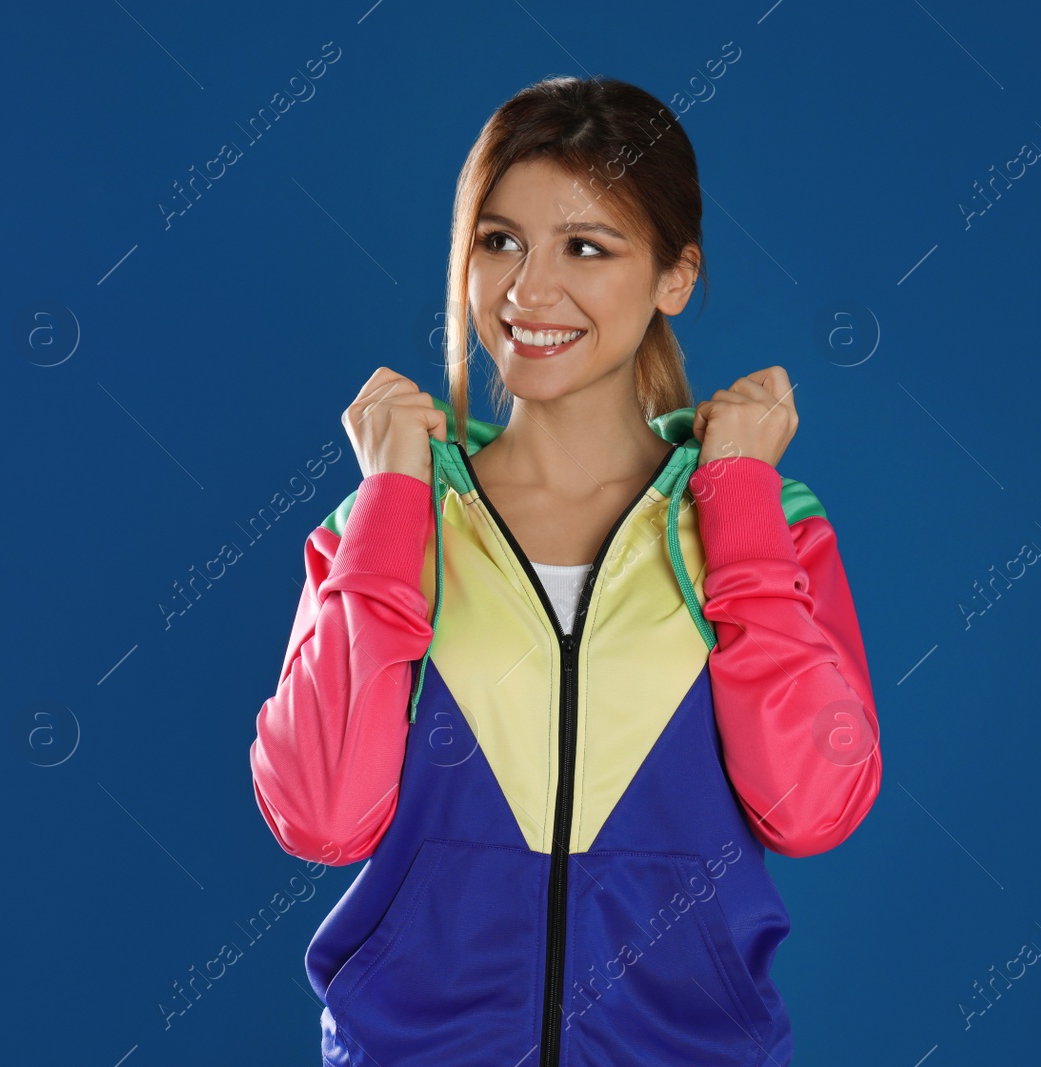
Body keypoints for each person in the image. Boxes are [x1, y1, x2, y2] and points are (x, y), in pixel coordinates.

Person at [249, 74, 881, 1067]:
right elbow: (321, 815)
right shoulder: (388, 519)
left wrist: (740, 502)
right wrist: (387, 508)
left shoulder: (770, 524)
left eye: (585, 247)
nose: (527, 290)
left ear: (675, 277)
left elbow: (810, 805)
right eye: (499, 240)